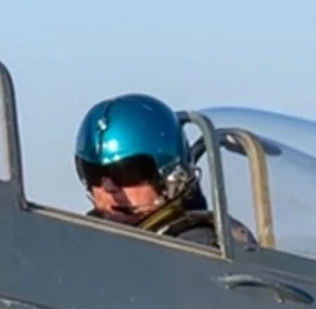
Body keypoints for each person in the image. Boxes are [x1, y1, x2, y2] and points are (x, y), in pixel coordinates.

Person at [75, 94, 214, 238]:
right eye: (93, 172)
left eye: (127, 172)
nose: (108, 188)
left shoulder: (194, 244)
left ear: (172, 179)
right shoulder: (81, 239)